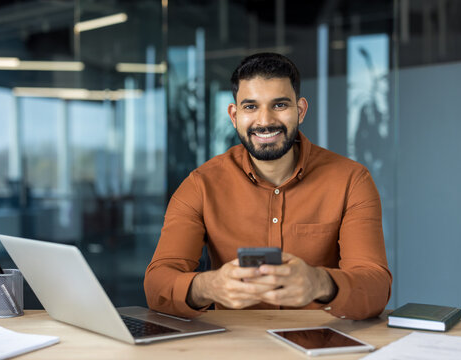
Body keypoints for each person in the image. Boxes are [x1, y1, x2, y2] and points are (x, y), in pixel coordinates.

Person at [144, 53, 392, 320]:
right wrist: (209, 286)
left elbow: (375, 287)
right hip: (235, 345)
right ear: (233, 114)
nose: (264, 121)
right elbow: (157, 285)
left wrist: (320, 283)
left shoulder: (351, 180)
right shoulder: (200, 185)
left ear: (301, 110)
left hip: (325, 344)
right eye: (250, 107)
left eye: (280, 105)